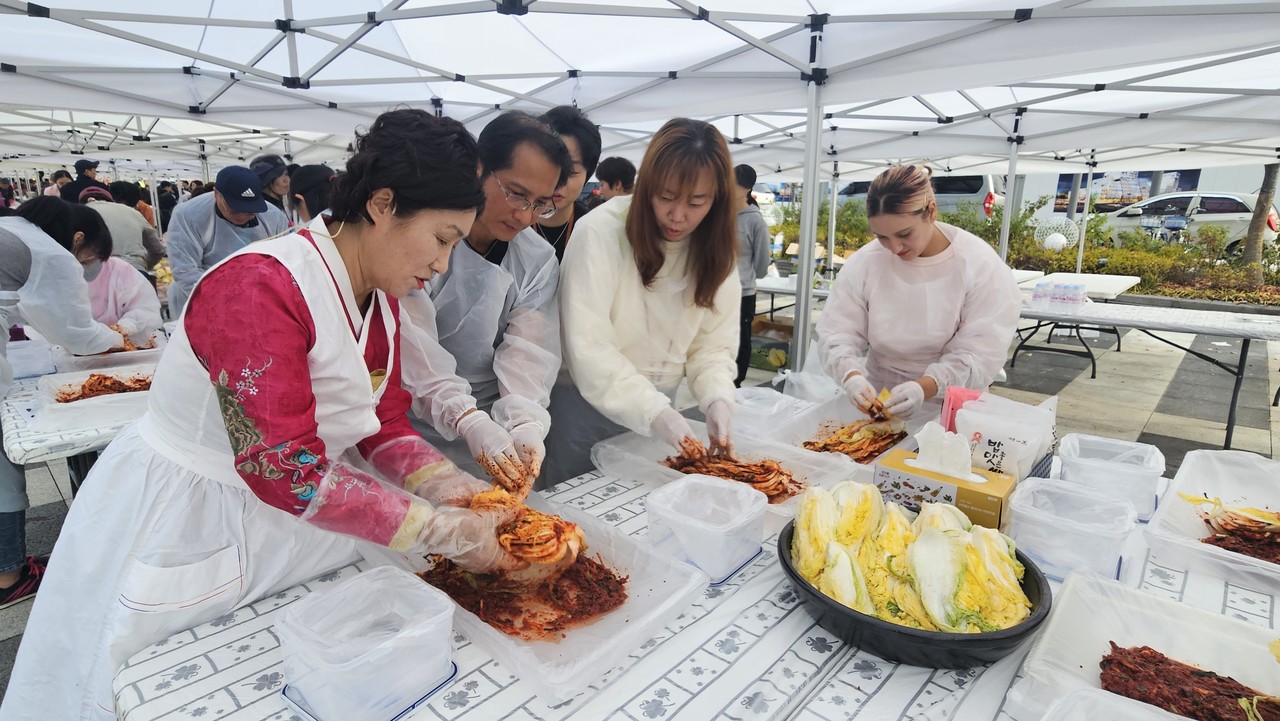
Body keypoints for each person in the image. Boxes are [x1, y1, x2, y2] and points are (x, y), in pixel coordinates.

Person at [2, 109, 519, 721]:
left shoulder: (379, 301)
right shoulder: (260, 285)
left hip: (302, 513)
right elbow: (283, 467)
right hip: (196, 509)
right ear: (383, 203)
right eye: (442, 239)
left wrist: (442, 481)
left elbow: (381, 417)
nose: (441, 266)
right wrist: (433, 529)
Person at [542, 118, 740, 485]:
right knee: (570, 517)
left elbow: (711, 347)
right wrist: (653, 411)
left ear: (717, 200)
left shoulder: (717, 252)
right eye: (665, 197)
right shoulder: (601, 232)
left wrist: (716, 398)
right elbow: (589, 346)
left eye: (696, 202)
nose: (678, 216)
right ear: (646, 185)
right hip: (583, 403)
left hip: (661, 409)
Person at [400, 111, 571, 496]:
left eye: (541, 204)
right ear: (479, 168)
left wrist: (524, 421)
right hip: (410, 415)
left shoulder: (536, 259)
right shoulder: (425, 234)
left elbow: (529, 353)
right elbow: (412, 345)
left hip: (494, 417)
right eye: (516, 193)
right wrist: (464, 416)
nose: (524, 216)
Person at [817, 164, 1022, 419]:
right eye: (882, 237)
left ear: (932, 211)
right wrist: (851, 376)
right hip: (877, 401)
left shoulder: (978, 265)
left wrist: (925, 387)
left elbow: (980, 353)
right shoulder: (866, 262)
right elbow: (837, 332)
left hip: (952, 405)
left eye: (904, 234)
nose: (894, 248)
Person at [0, 197, 124, 610]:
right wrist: (119, 339)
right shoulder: (52, 255)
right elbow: (76, 336)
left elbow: (36, 314)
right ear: (77, 239)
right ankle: (8, 574)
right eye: (91, 258)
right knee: (1, 469)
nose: (88, 266)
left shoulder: (14, 229)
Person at [165, 165, 290, 316]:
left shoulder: (273, 216)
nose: (243, 216)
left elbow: (284, 264)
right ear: (216, 193)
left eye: (250, 212)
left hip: (256, 298)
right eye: (234, 210)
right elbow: (185, 270)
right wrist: (231, 299)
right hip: (201, 297)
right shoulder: (188, 215)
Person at [531, 106, 600, 263]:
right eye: (549, 166)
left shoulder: (592, 231)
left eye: (571, 171)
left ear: (587, 176)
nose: (558, 181)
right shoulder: (512, 222)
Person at [732, 164, 772, 387]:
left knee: (740, 340)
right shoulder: (722, 215)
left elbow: (762, 264)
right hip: (718, 291)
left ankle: (736, 382)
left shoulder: (755, 220)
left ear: (745, 187)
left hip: (743, 292)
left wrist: (746, 276)